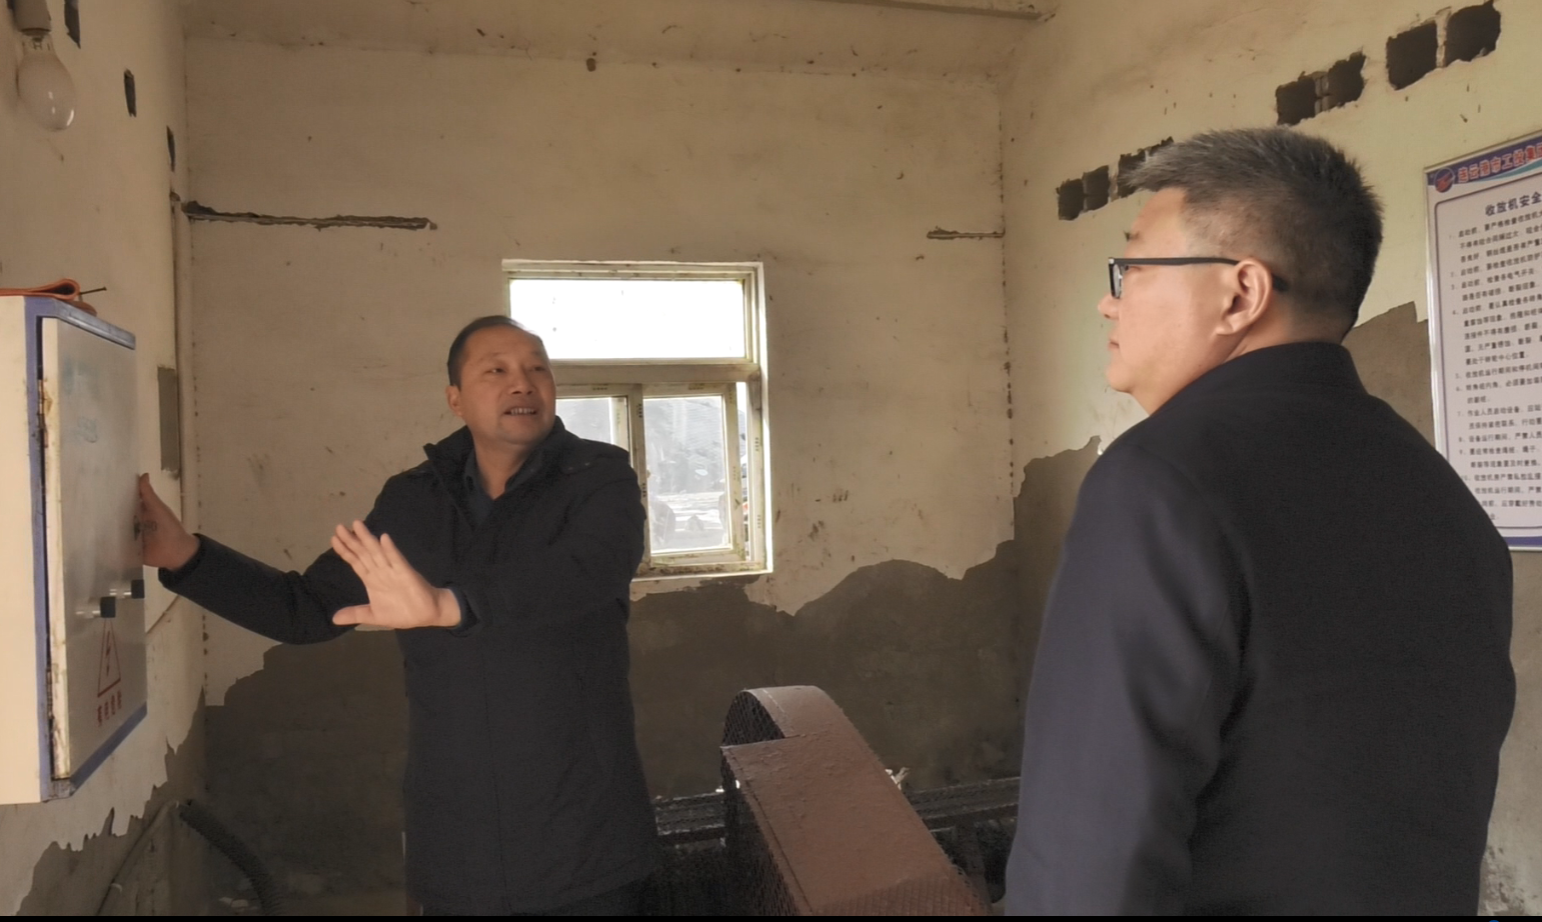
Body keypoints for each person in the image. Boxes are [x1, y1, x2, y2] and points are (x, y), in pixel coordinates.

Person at [1005, 128, 1515, 914]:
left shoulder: (1160, 482)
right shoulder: (1437, 489)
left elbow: (1092, 850)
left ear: (1240, 294)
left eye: (1133, 267)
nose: (1111, 299)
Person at [139, 316, 657, 915]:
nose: (523, 382)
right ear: (455, 399)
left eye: (537, 368)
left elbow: (589, 569)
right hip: (456, 828)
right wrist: (185, 557)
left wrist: (450, 605)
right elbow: (308, 610)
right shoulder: (415, 499)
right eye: (496, 370)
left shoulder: (597, 477)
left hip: (583, 823)